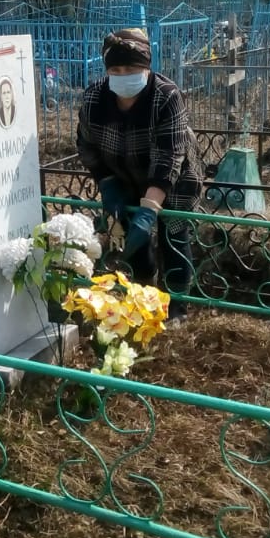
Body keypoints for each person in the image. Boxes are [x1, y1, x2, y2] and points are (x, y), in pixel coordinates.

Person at [76, 27, 202, 321]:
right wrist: (107, 184)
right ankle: (143, 297)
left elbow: (169, 158)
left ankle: (177, 307)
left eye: (131, 68)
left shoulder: (166, 97)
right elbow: (86, 145)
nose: (123, 75)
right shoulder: (95, 98)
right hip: (124, 176)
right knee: (132, 238)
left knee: (174, 238)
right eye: (116, 69)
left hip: (173, 180)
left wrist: (151, 209)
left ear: (146, 68)